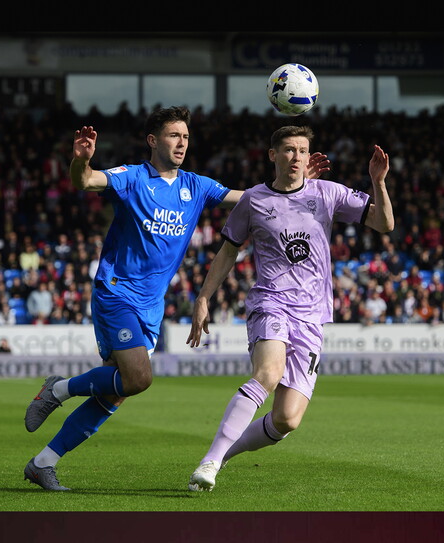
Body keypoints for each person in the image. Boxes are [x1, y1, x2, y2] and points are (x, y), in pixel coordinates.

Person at [21, 106, 329, 491]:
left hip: (152, 304)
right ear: (153, 141)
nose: (182, 143)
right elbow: (86, 181)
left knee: (116, 393)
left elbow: (254, 199)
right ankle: (59, 389)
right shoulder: (132, 178)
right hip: (116, 292)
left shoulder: (197, 186)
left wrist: (296, 179)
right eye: (173, 136)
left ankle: (43, 463)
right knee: (138, 378)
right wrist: (80, 161)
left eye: (185, 137)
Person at [185, 125, 393, 492]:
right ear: (273, 155)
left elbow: (383, 223)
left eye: (302, 150)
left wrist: (378, 181)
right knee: (268, 373)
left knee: (287, 419)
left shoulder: (327, 193)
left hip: (312, 315)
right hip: (271, 302)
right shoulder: (254, 199)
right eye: (288, 150)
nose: (296, 156)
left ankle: (223, 454)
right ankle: (210, 460)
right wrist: (203, 298)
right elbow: (228, 251)